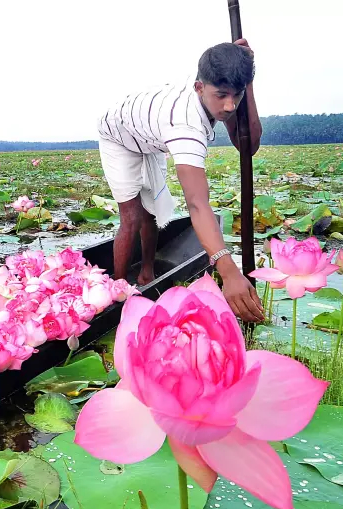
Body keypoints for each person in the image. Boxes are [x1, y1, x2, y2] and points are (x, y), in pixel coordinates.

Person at [97, 38, 265, 322]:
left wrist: (246, 80)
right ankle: (118, 288)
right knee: (132, 215)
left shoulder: (216, 87)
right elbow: (198, 204)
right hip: (119, 135)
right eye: (221, 94)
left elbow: (248, 145)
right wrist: (229, 271)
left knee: (152, 211)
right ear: (199, 87)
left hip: (151, 134)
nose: (229, 105)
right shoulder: (185, 127)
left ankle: (147, 272)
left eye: (235, 95)